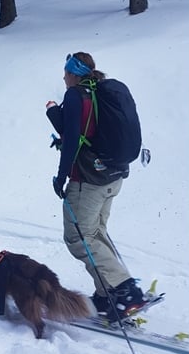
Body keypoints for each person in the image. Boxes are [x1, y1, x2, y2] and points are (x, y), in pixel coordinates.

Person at [46, 52, 146, 321]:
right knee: (95, 231)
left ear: (74, 73)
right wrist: (56, 116)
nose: (63, 77)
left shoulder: (76, 95)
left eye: (66, 71)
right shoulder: (99, 92)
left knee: (79, 237)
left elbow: (72, 142)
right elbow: (80, 131)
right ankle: (107, 295)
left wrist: (61, 176)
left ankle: (125, 291)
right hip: (113, 177)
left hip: (88, 180)